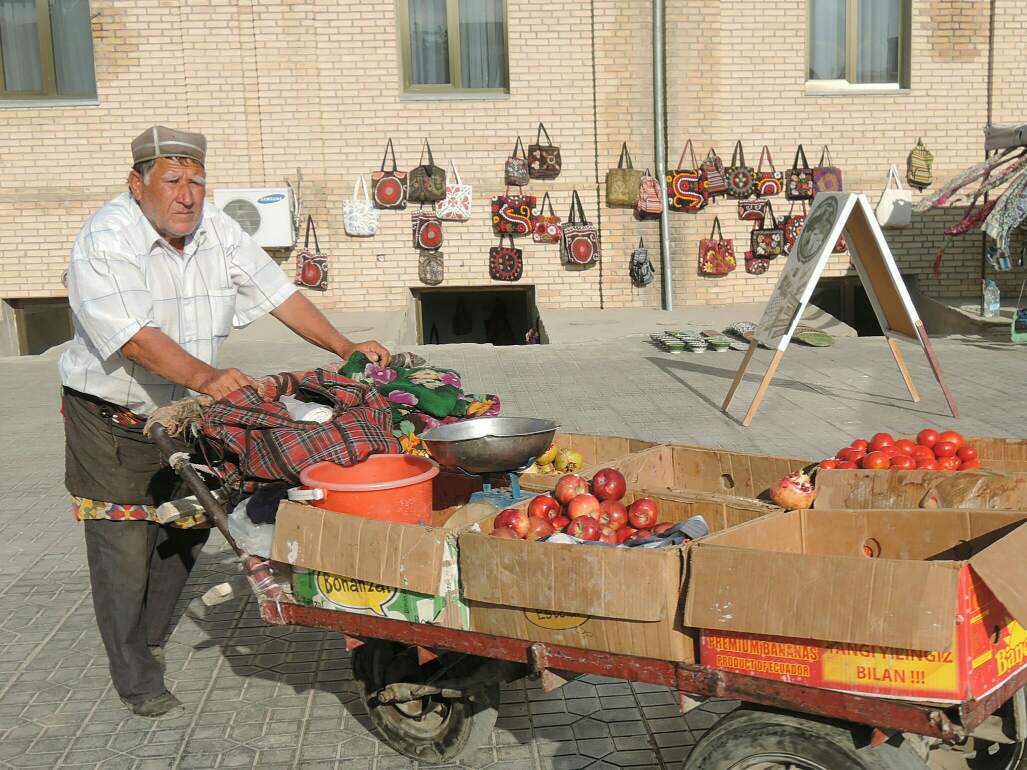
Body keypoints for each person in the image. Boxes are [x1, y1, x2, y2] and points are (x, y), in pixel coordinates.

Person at [59, 125, 390, 718]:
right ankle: (133, 672)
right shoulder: (106, 238)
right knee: (124, 545)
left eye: (197, 181)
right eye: (172, 181)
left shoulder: (215, 227)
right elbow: (133, 338)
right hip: (112, 417)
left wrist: (344, 347)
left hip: (185, 412)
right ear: (137, 184)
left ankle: (150, 638)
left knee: (189, 526)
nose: (187, 195)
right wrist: (209, 379)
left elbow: (277, 292)